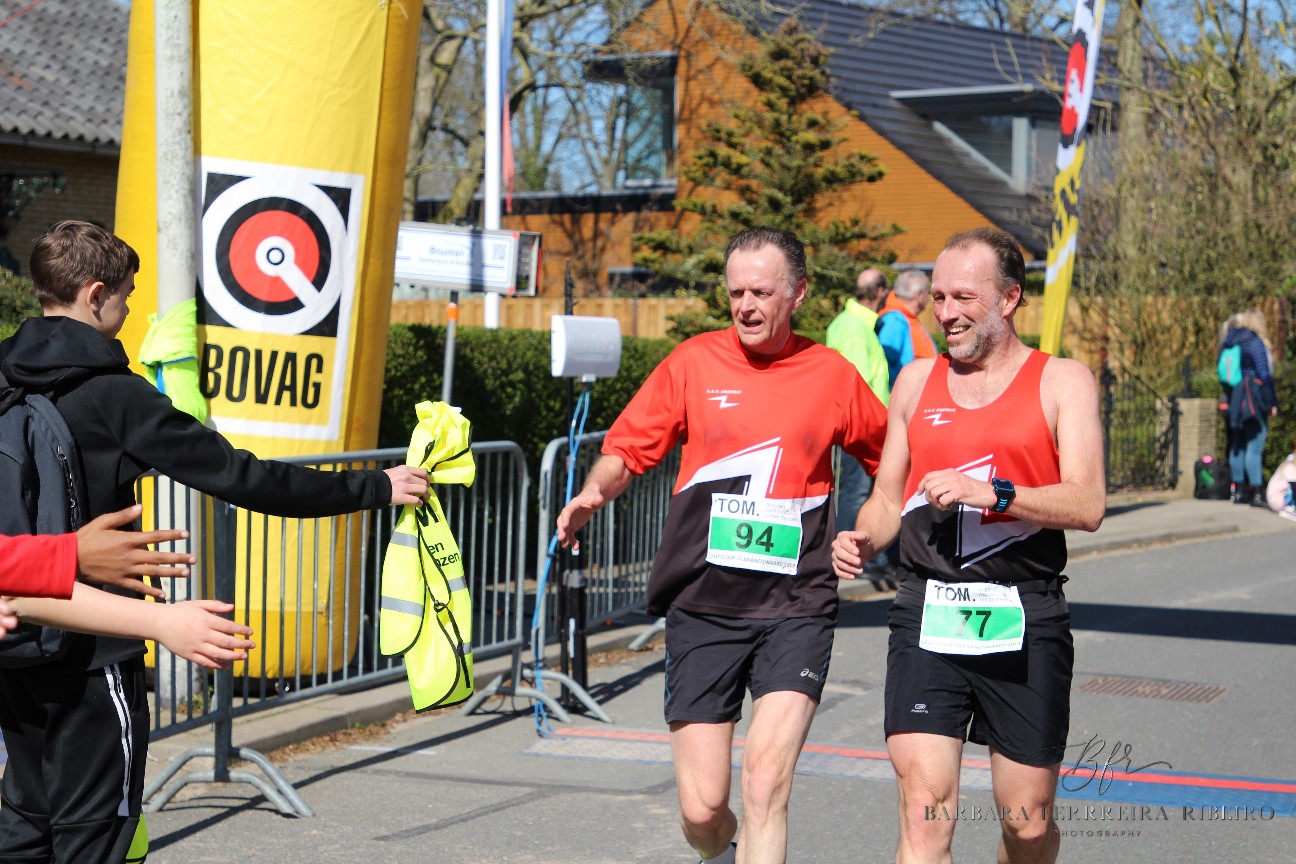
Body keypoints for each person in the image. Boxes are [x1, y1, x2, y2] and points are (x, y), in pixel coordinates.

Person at [0, 220, 430, 864]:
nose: (129, 309)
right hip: (95, 651)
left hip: (17, 637)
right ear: (95, 295)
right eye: (126, 295)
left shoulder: (5, 378)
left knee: (24, 828)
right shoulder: (114, 394)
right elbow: (242, 476)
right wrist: (374, 487)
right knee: (96, 833)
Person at [557, 227, 887, 864]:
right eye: (736, 293)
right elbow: (627, 448)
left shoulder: (831, 375)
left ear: (797, 293)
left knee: (765, 784)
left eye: (761, 292)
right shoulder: (693, 363)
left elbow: (891, 464)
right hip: (704, 604)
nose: (746, 306)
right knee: (703, 811)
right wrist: (595, 492)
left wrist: (868, 532)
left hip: (797, 606)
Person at [832, 227, 1105, 864]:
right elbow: (888, 498)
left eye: (964, 298)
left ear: (1009, 298)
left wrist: (995, 493)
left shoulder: (1062, 381)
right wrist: (864, 537)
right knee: (924, 818)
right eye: (939, 297)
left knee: (1027, 826)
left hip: (1023, 612)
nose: (947, 313)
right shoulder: (915, 382)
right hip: (928, 611)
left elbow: (1088, 502)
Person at [826, 267, 893, 579]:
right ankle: (852, 561)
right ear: (879, 292)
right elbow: (858, 384)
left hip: (864, 427)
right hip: (861, 429)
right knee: (857, 493)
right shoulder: (855, 327)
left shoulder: (853, 323)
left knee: (859, 492)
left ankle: (857, 560)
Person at [1220, 308, 1278, 507]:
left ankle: (1238, 491)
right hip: (1253, 396)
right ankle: (1257, 492)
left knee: (1238, 444)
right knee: (1255, 443)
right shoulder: (1254, 342)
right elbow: (1264, 374)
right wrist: (1272, 402)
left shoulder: (1230, 340)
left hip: (1235, 397)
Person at [877, 269, 936, 387]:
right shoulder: (894, 321)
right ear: (919, 295)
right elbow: (885, 366)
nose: (929, 297)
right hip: (907, 391)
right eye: (928, 292)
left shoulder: (906, 317)